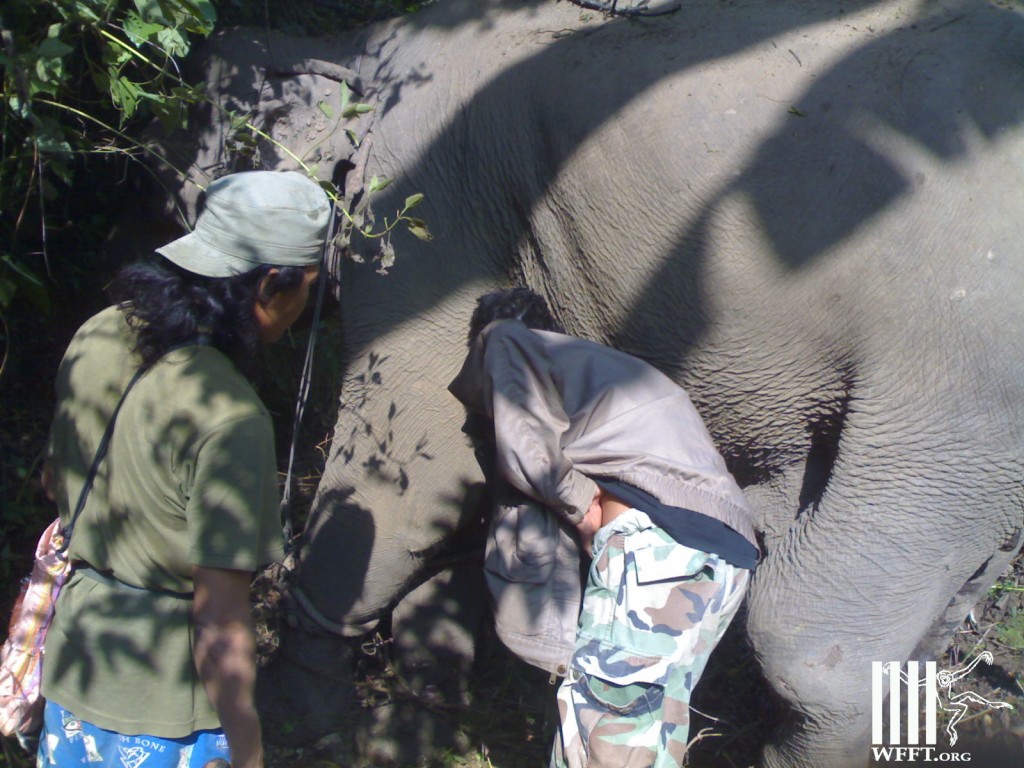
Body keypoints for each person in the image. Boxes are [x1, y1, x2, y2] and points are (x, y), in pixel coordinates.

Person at [37, 170, 332, 768]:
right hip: (165, 707)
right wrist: (249, 752)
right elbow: (218, 619)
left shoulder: (100, 330)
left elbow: (53, 480)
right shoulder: (231, 416)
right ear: (272, 285)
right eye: (308, 286)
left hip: (73, 669)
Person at [448, 287, 760, 768]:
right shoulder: (607, 373)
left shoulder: (507, 339)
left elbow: (530, 451)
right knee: (645, 736)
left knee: (602, 737)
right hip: (724, 557)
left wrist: (580, 506)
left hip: (655, 553)